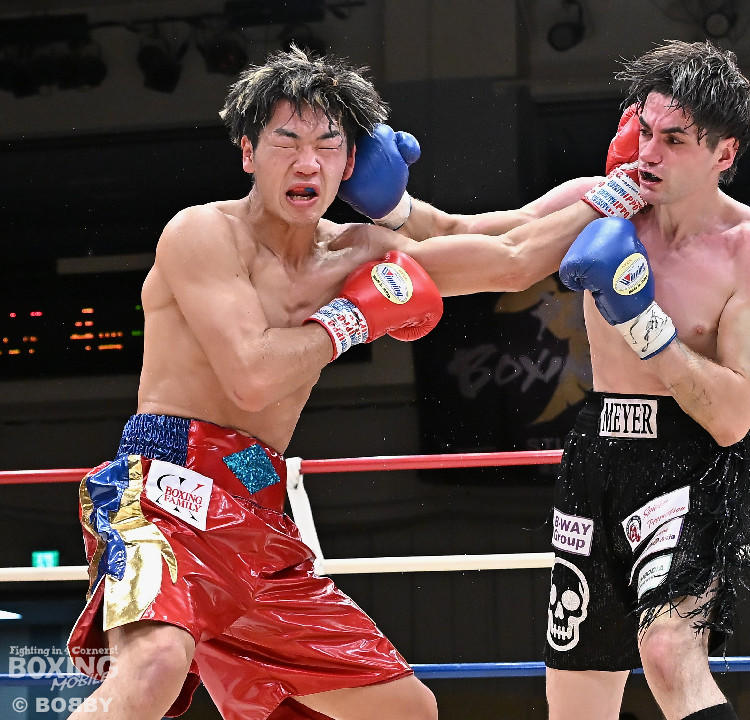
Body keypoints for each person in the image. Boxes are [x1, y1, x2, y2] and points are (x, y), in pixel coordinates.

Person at [65, 46, 642, 720]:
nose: (307, 162)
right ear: (248, 152)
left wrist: (614, 193)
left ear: (349, 165)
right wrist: (352, 318)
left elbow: (506, 252)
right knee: (156, 664)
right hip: (168, 490)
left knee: (405, 710)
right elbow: (251, 377)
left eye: (327, 144)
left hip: (258, 510)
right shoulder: (202, 233)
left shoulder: (358, 251)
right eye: (287, 141)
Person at [545, 40, 750, 720]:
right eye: (645, 131)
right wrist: (389, 208)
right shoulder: (604, 204)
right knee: (577, 698)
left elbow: (733, 416)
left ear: (724, 153)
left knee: (667, 649)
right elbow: (491, 242)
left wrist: (643, 323)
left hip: (692, 460)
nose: (648, 153)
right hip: (597, 451)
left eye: (675, 140)